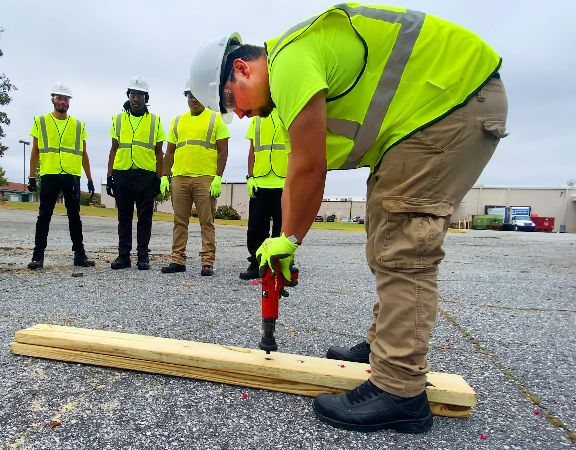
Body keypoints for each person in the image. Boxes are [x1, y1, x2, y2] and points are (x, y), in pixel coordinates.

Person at [190, 4, 507, 432]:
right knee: (386, 229)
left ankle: (400, 390)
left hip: (452, 104)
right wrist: (286, 237)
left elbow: (310, 170)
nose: (240, 115)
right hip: (425, 116)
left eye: (231, 101)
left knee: (404, 242)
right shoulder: (286, 91)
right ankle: (386, 348)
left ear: (243, 69)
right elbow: (294, 176)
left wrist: (290, 240)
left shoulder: (290, 62)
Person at [160, 80, 229, 276]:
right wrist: (165, 176)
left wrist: (218, 177)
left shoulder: (216, 120)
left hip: (205, 178)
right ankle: (177, 260)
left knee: (206, 222)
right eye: (189, 95)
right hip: (180, 178)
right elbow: (169, 153)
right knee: (179, 222)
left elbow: (223, 152)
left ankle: (207, 262)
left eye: (196, 94)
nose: (192, 99)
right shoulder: (177, 121)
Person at [26, 82, 95, 270]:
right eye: (59, 98)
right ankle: (37, 256)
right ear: (52, 100)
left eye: (66, 99)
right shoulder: (41, 121)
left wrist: (89, 178)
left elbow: (84, 154)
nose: (63, 102)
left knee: (75, 216)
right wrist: (32, 176)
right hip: (50, 174)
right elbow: (35, 151)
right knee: (44, 216)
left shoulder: (78, 125)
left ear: (69, 102)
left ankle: (80, 255)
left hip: (72, 175)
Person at [105, 76, 166, 270]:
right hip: (122, 173)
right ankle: (123, 256)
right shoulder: (118, 119)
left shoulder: (155, 121)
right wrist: (109, 176)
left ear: (146, 98)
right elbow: (113, 149)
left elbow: (159, 152)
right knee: (124, 217)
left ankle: (142, 256)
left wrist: (159, 178)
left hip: (145, 176)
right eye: (132, 94)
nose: (135, 99)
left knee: (144, 218)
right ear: (128, 97)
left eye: (139, 95)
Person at [239, 111, 287, 280]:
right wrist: (250, 177)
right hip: (260, 182)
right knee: (256, 228)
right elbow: (252, 149)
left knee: (282, 228)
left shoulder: (288, 112)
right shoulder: (257, 119)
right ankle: (256, 262)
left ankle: (280, 263)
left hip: (284, 181)